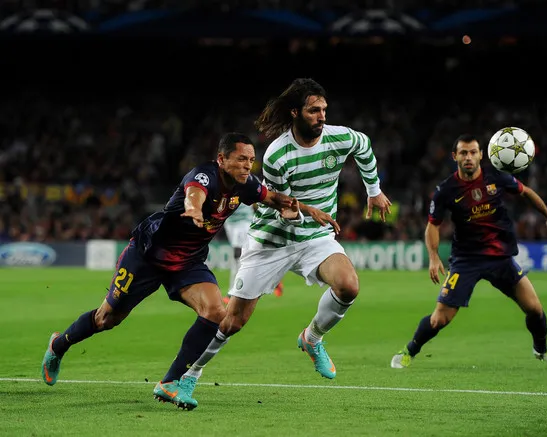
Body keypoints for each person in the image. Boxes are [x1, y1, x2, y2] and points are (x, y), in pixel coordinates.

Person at [41, 132, 302, 410]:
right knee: (107, 318)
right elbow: (193, 195)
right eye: (241, 159)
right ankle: (58, 345)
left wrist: (302, 209)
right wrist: (194, 209)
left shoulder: (246, 184)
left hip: (187, 262)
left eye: (251, 159)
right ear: (222, 159)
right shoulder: (204, 176)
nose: (248, 165)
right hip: (149, 255)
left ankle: (170, 382)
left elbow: (273, 198)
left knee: (216, 312)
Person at [176, 77, 392, 406]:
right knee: (233, 321)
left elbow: (363, 146)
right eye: (313, 110)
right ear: (295, 112)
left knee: (348, 285)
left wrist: (373, 191)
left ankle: (312, 338)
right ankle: (189, 376)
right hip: (272, 240)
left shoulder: (340, 137)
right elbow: (281, 207)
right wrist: (303, 213)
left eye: (324, 109)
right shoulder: (278, 154)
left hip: (315, 236)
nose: (321, 116)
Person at [390, 133, 547, 371]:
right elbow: (432, 225)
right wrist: (433, 257)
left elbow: (525, 192)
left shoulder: (497, 177)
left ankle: (542, 350)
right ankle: (409, 351)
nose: (468, 157)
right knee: (439, 319)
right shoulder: (446, 190)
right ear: (455, 156)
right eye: (463, 153)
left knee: (535, 309)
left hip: (500, 258)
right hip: (466, 260)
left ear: (481, 155)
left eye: (473, 152)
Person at [222, 202, 283, 304]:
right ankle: (274, 279)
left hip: (243, 221)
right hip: (229, 222)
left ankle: (232, 292)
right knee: (250, 256)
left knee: (238, 255)